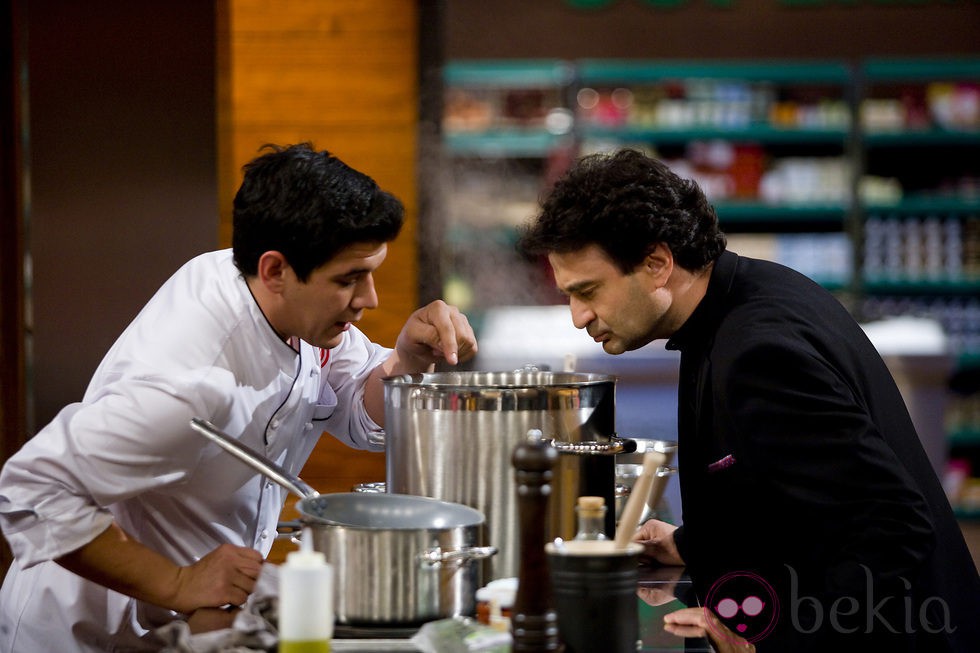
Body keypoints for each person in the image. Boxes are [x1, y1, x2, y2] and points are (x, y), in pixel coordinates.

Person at [0, 143, 477, 652]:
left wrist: (406, 361)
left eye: (370, 273)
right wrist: (177, 584)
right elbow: (32, 492)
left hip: (190, 624)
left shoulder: (282, 299)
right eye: (348, 280)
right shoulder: (189, 383)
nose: (370, 300)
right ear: (275, 271)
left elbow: (354, 403)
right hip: (88, 634)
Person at [517, 148, 980, 651]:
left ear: (656, 263)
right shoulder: (738, 300)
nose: (578, 316)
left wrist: (776, 645)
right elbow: (788, 495)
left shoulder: (760, 352)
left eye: (588, 291)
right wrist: (690, 545)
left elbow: (893, 527)